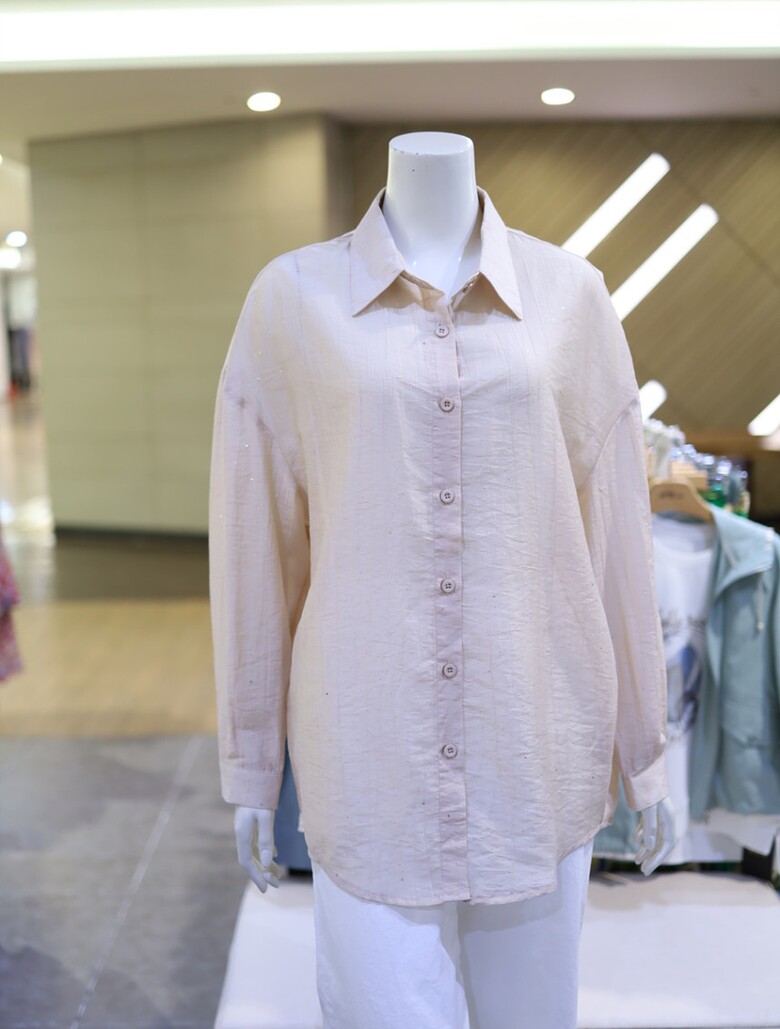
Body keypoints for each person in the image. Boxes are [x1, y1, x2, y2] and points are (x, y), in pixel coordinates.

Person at [210, 131, 675, 1028]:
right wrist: (252, 762)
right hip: (368, 754)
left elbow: (617, 535)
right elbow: (253, 548)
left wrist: (643, 753)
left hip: (535, 748)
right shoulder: (291, 297)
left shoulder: (570, 294)